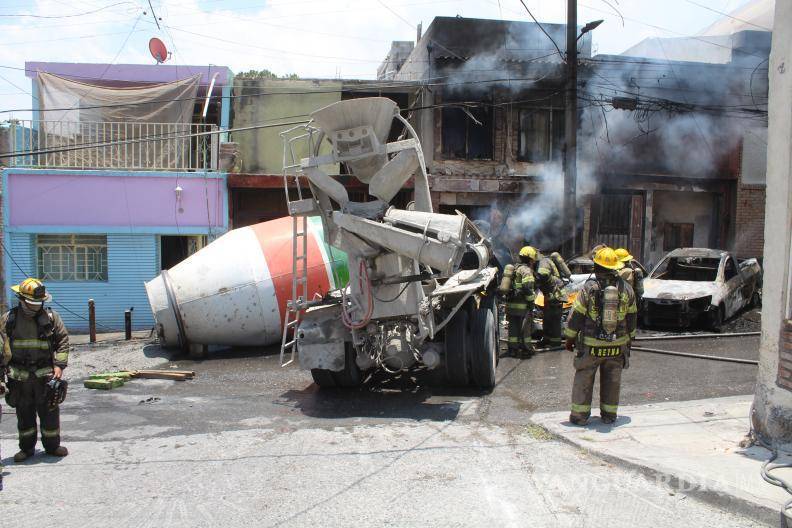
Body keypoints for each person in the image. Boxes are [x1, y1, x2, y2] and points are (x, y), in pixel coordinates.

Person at [564, 247, 637, 425]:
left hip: (591, 346)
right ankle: (609, 415)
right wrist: (629, 340)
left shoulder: (589, 288)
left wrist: (570, 338)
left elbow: (577, 315)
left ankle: (579, 417)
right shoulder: (626, 289)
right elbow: (632, 316)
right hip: (617, 346)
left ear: (596, 267)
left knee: (584, 378)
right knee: (612, 381)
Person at [1, 278, 70, 461]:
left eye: (39, 303)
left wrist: (59, 366)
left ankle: (52, 446)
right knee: (24, 415)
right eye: (32, 303)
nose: (36, 306)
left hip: (45, 377)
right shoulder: (9, 320)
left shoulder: (50, 317)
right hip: (19, 379)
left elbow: (63, 341)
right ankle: (26, 449)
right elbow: (1, 349)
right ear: (21, 299)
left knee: (50, 414)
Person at [522, 246, 566, 348]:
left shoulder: (543, 262)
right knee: (547, 318)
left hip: (555, 295)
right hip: (549, 295)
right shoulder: (541, 262)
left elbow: (543, 275)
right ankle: (546, 339)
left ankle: (555, 342)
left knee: (554, 319)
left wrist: (533, 278)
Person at [499, 247, 537, 358]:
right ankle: (526, 349)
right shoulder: (526, 270)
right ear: (530, 259)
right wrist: (531, 302)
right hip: (522, 305)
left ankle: (512, 350)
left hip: (511, 304)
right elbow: (527, 287)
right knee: (525, 329)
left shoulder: (515, 268)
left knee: (513, 329)